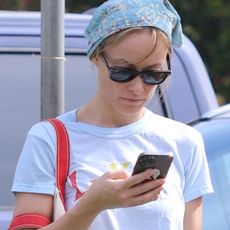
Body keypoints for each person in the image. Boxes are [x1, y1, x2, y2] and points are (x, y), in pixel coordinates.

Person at [9, 0, 213, 229]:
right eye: (122, 72)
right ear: (96, 57)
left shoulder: (185, 141)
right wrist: (92, 205)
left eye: (153, 74)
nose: (137, 88)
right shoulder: (49, 139)